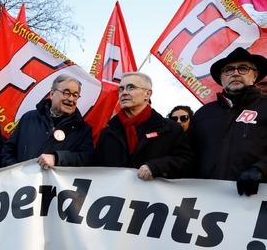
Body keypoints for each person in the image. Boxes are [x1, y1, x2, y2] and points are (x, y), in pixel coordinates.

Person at [188, 47, 267, 196]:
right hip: (207, 201)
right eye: (229, 70)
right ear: (221, 78)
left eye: (243, 68)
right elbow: (186, 156)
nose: (235, 73)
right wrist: (157, 168)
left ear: (255, 75)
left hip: (256, 202)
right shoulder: (203, 114)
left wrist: (261, 169)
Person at [95, 72, 194, 180]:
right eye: (121, 89)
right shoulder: (108, 132)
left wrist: (156, 167)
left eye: (131, 87)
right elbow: (96, 167)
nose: (124, 93)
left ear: (147, 94)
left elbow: (187, 162)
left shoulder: (170, 129)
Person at [2, 74, 94, 168]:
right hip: (21, 181)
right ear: (52, 94)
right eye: (66, 93)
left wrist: (57, 158)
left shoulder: (83, 130)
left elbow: (87, 159)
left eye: (75, 95)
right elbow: (8, 150)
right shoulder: (28, 118)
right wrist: (16, 170)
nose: (71, 99)